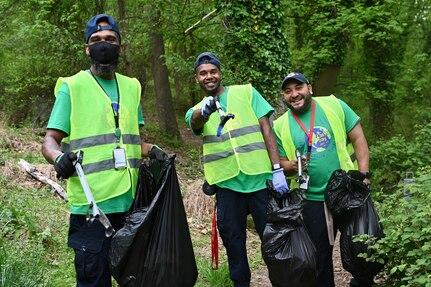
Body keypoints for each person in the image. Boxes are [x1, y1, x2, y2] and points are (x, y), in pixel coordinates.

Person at [41, 14, 166, 287]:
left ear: (121, 47)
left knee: (134, 278)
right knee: (94, 281)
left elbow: (131, 141)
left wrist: (153, 151)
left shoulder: (132, 87)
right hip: (91, 208)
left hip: (132, 205)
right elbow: (50, 140)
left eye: (110, 39)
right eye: (96, 40)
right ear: (87, 48)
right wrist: (58, 157)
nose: (103, 45)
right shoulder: (72, 88)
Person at [184, 52, 289, 287]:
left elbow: (267, 130)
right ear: (197, 79)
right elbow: (195, 123)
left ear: (220, 73)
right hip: (227, 185)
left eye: (213, 71)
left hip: (261, 181)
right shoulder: (195, 110)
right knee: (234, 244)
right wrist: (205, 110)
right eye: (203, 73)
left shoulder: (247, 92)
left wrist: (277, 169)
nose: (209, 76)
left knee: (274, 242)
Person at [273, 72, 373, 287]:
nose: (294, 94)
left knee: (362, 248)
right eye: (288, 91)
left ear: (309, 88)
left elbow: (359, 139)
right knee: (318, 260)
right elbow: (281, 163)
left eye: (298, 88)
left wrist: (364, 176)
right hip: (312, 200)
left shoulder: (334, 105)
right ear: (284, 96)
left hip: (348, 192)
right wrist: (291, 165)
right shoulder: (280, 125)